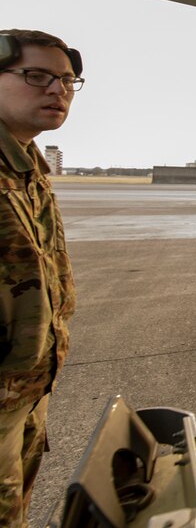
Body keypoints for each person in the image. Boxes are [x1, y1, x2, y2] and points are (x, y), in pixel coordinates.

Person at [0, 29, 83, 525]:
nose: (58, 90)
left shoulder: (28, 167)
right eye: (37, 76)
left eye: (68, 81)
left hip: (26, 390)